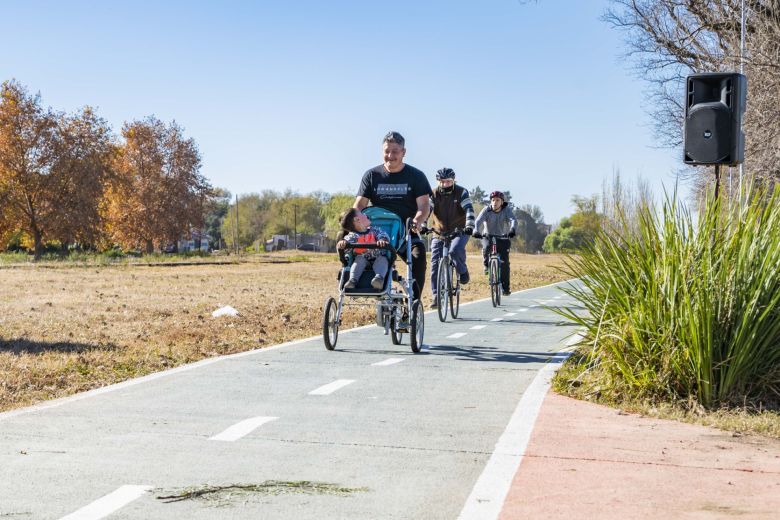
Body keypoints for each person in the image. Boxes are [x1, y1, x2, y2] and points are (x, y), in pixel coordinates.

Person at [351, 131, 432, 301]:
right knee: (350, 247)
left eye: (395, 151)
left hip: (405, 232)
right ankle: (358, 283)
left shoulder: (416, 176)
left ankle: (413, 302)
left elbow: (424, 206)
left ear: (404, 152)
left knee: (418, 255)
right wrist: (352, 222)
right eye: (387, 151)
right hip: (375, 234)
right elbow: (359, 205)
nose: (390, 156)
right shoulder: (371, 176)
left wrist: (417, 220)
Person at [428, 167, 475, 309]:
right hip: (439, 232)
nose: (445, 185)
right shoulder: (434, 194)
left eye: (448, 182)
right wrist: (423, 225)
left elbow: (469, 209)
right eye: (442, 182)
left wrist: (469, 225)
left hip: (459, 230)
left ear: (453, 181)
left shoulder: (461, 192)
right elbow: (427, 210)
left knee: (454, 251)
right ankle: (436, 295)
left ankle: (462, 271)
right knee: (434, 264)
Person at [474, 190, 516, 296]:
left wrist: (512, 229)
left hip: (503, 237)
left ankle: (505, 288)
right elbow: (478, 221)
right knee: (487, 246)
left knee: (505, 263)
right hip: (488, 236)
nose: (494, 202)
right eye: (493, 200)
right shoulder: (486, 210)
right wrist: (476, 230)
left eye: (497, 200)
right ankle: (486, 265)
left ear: (502, 202)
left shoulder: (506, 210)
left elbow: (513, 220)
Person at [338, 208, 391, 289]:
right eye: (362, 214)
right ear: (357, 219)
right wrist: (343, 243)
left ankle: (378, 279)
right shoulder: (353, 235)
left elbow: (383, 234)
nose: (366, 215)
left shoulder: (374, 230)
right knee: (359, 260)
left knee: (383, 260)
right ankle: (352, 280)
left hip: (378, 257)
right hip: (362, 260)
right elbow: (347, 247)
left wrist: (382, 240)